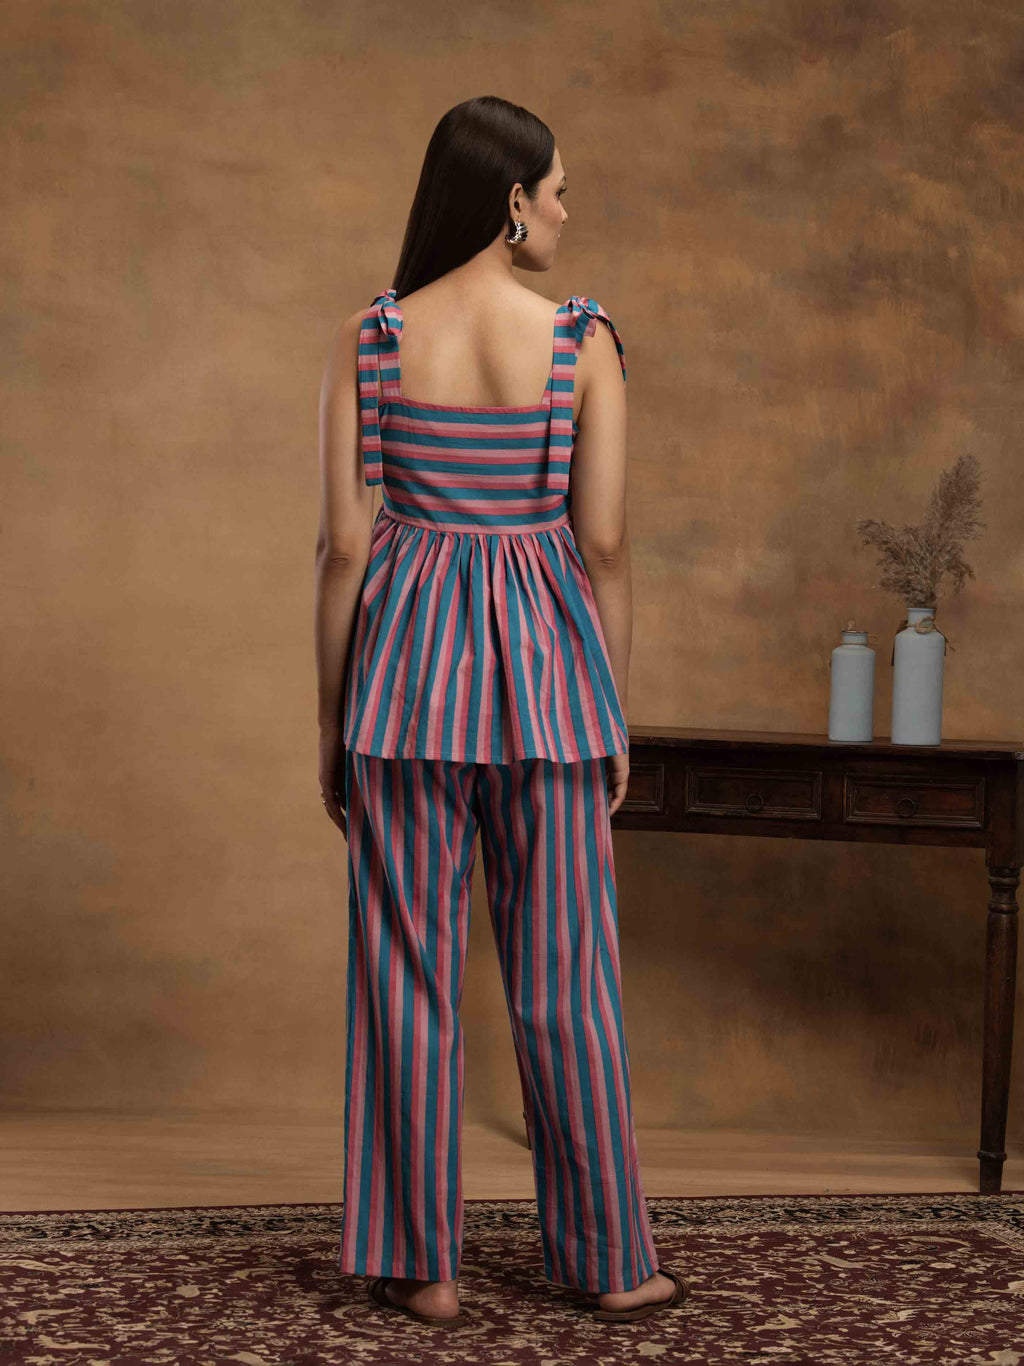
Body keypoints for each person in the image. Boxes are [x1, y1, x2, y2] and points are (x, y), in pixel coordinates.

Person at [314, 95, 688, 1329]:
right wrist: (610, 710)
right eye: (559, 191)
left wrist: (332, 722)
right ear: (511, 200)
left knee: (403, 969)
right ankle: (608, 1263)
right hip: (551, 685)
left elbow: (341, 548)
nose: (569, 213)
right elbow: (608, 542)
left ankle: (423, 1266)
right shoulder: (581, 340)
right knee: (566, 975)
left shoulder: (372, 336)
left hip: (403, 684)